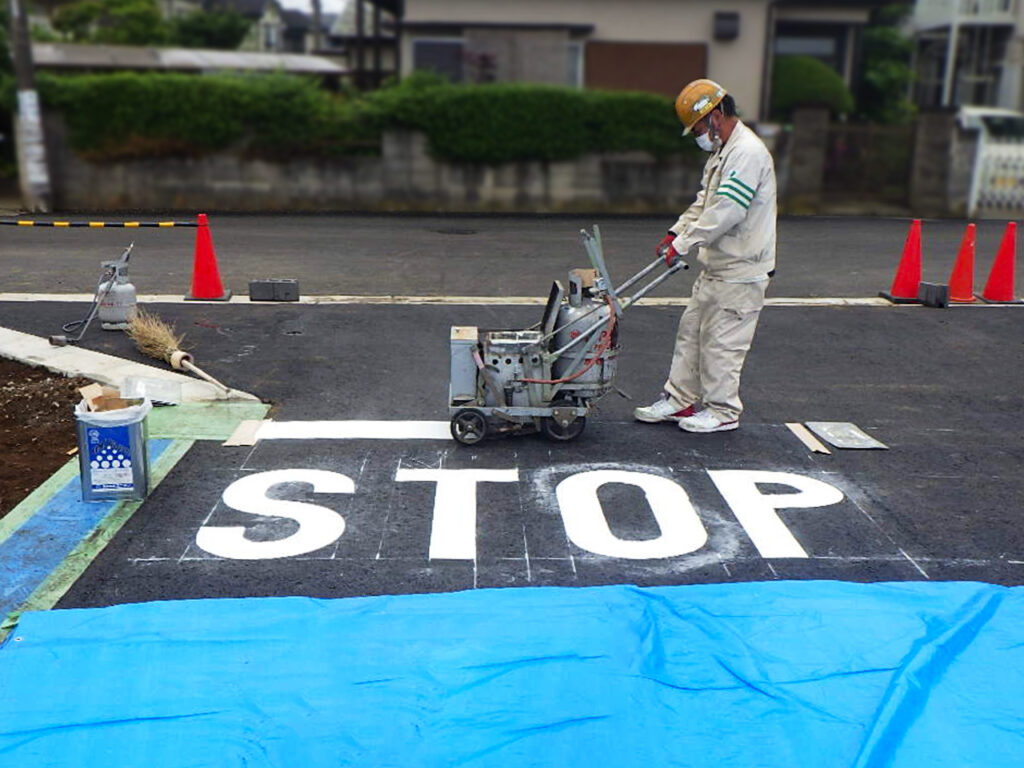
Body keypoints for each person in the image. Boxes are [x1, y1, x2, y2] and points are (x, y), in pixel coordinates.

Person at [634, 79, 777, 434]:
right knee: (692, 333)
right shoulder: (722, 153)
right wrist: (675, 231)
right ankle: (679, 400)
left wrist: (683, 244)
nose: (698, 135)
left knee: (722, 344)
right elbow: (705, 202)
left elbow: (727, 210)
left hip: (742, 270)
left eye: (697, 127)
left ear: (715, 116)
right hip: (717, 266)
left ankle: (723, 411)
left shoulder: (747, 153)